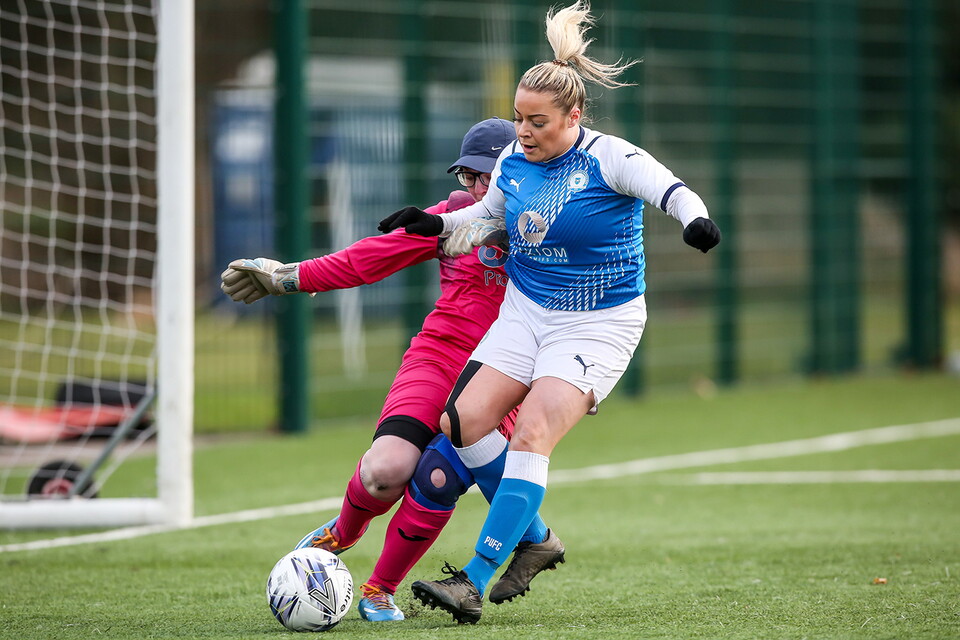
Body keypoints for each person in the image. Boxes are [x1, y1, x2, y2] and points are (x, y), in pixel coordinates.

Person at [378, 1, 721, 625]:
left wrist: (693, 220)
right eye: (518, 120)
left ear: (574, 116)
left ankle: (474, 580)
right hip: (527, 310)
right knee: (462, 424)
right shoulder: (512, 162)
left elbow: (670, 189)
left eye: (537, 122)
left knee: (532, 431)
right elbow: (483, 222)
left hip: (599, 321)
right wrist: (432, 223)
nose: (525, 133)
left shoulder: (611, 158)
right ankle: (536, 539)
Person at [220, 118, 565, 622]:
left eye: (488, 175)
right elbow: (371, 257)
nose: (478, 188)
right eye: (469, 177)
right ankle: (343, 530)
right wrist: (288, 278)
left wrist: (583, 379)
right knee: (386, 471)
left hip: (509, 375)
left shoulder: (559, 221)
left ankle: (380, 588)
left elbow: (594, 299)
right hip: (440, 357)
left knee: (439, 476)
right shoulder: (453, 214)